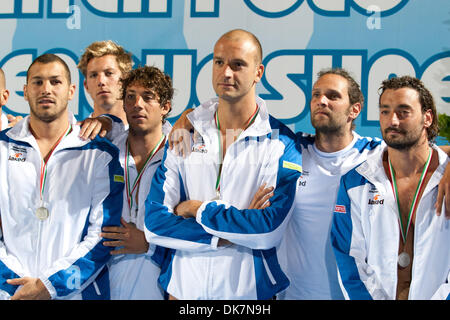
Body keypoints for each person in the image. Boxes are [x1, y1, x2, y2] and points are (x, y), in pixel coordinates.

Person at [170, 68, 450, 300]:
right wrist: (193, 115)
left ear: (355, 109)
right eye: (316, 95)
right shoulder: (289, 150)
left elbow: (421, 151)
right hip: (296, 295)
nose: (321, 101)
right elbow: (242, 115)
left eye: (332, 96)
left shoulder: (374, 155)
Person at [144, 29, 302, 300]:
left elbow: (268, 229)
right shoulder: (186, 132)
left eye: (238, 64)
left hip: (248, 297)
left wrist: (196, 210)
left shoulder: (281, 142)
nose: (226, 72)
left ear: (258, 72)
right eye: (219, 62)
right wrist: (227, 236)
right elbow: (154, 223)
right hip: (183, 294)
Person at [0, 53, 124, 300]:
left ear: (71, 91)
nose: (46, 89)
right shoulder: (3, 146)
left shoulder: (100, 154)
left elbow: (103, 236)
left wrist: (48, 286)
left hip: (74, 294)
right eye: (37, 82)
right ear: (25, 91)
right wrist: (16, 286)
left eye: (55, 82)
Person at [331, 75, 449, 300]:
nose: (392, 121)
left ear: (427, 117)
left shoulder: (446, 176)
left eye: (403, 112)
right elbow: (349, 259)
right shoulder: (356, 182)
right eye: (385, 111)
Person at [100, 66, 172, 299]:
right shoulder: (106, 153)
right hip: (107, 282)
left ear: (165, 107)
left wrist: (149, 245)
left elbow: (194, 230)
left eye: (148, 97)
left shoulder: (182, 156)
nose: (137, 104)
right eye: (130, 96)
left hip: (161, 285)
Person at [77, 40, 132, 127]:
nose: (101, 81)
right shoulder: (74, 136)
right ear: (86, 86)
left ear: (126, 80)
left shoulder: (144, 135)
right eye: (94, 75)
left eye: (109, 73)